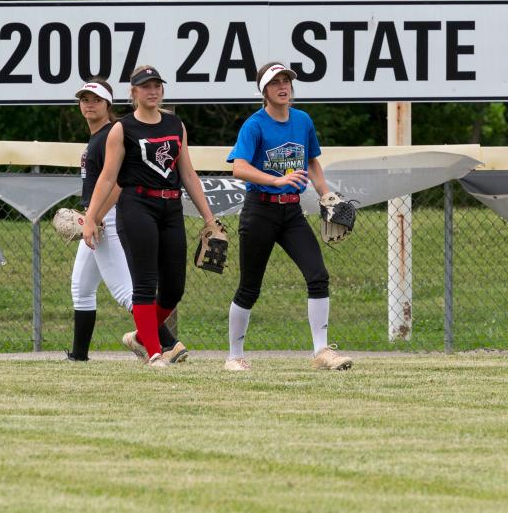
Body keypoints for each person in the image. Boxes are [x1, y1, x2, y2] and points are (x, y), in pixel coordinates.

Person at [82, 65, 216, 367]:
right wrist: (91, 217)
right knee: (145, 283)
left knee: (174, 287)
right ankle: (155, 353)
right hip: (137, 205)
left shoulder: (175, 124)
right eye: (145, 86)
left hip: (171, 207)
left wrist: (209, 218)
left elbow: (188, 174)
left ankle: (142, 336)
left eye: (157, 85)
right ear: (134, 93)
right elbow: (107, 177)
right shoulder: (123, 128)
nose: (152, 90)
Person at [224, 62, 352, 372]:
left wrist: (325, 195)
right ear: (264, 91)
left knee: (317, 274)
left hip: (291, 211)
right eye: (275, 82)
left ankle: (321, 351)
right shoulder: (255, 125)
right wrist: (277, 180)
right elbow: (239, 167)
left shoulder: (302, 120)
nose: (283, 86)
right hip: (260, 210)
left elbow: (312, 163)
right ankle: (234, 356)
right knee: (250, 287)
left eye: (287, 81)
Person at [66, 78, 188, 363]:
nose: (89, 104)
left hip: (109, 218)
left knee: (125, 291)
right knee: (81, 288)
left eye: (96, 99)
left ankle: (168, 344)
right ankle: (79, 355)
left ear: (109, 103)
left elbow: (119, 183)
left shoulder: (113, 133)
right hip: (95, 217)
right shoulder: (98, 136)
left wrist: (94, 218)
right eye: (84, 99)